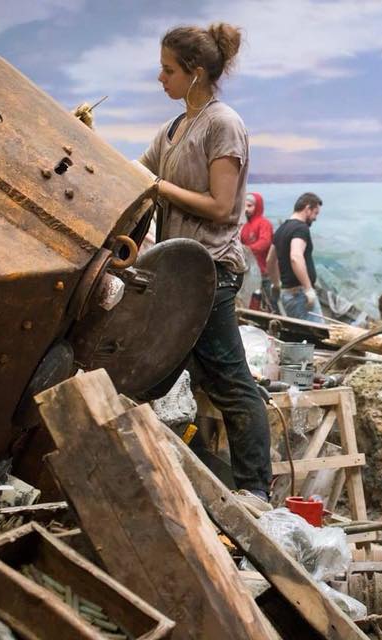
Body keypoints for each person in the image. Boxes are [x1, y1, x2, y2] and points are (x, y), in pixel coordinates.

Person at [139, 22, 271, 502]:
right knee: (156, 374)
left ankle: (255, 492)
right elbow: (136, 173)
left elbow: (220, 206)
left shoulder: (222, 125)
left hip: (211, 271)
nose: (160, 79)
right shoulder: (175, 128)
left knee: (231, 381)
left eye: (168, 70)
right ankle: (177, 475)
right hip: (180, 273)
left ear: (195, 73)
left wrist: (160, 187)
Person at [267, 192, 325, 323]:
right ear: (307, 208)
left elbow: (270, 261)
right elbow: (296, 257)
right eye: (315, 213)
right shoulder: (300, 228)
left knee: (299, 332)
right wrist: (308, 289)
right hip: (300, 295)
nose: (315, 218)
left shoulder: (281, 229)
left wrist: (276, 284)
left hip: (287, 295)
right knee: (318, 333)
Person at [240, 191, 275, 309]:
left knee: (267, 305)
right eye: (244, 205)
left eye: (249, 206)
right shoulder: (245, 226)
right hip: (248, 273)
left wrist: (246, 249)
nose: (246, 209)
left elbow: (265, 243)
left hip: (263, 273)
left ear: (258, 206)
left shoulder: (264, 223)